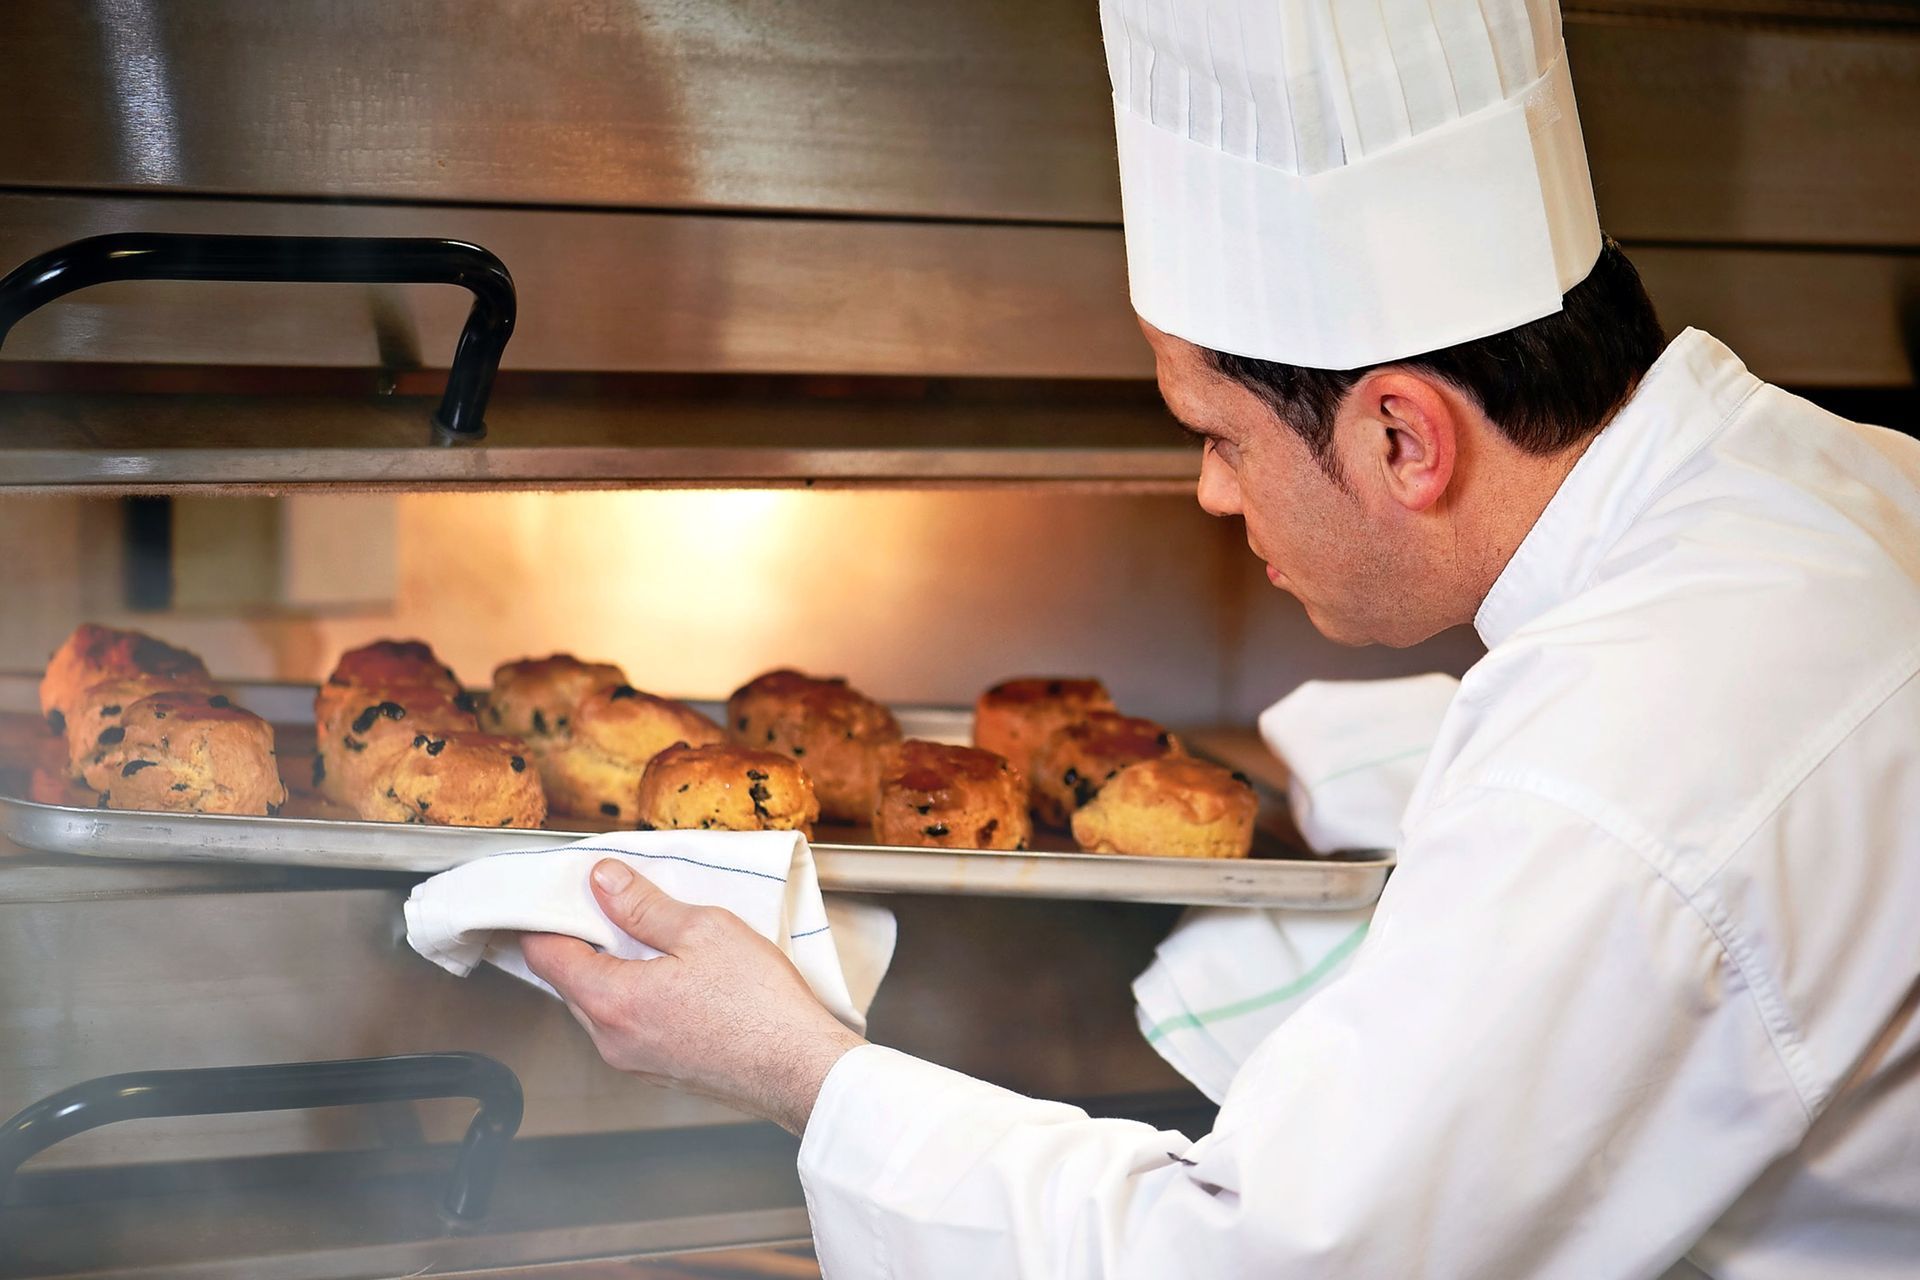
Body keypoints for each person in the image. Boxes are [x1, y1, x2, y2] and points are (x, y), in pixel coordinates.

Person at [523, 0, 1920, 1274]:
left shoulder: (1615, 775)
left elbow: (1259, 1263)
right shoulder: (1839, 483)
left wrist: (797, 1070)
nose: (1207, 489)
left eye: (1221, 435)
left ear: (1400, 433)